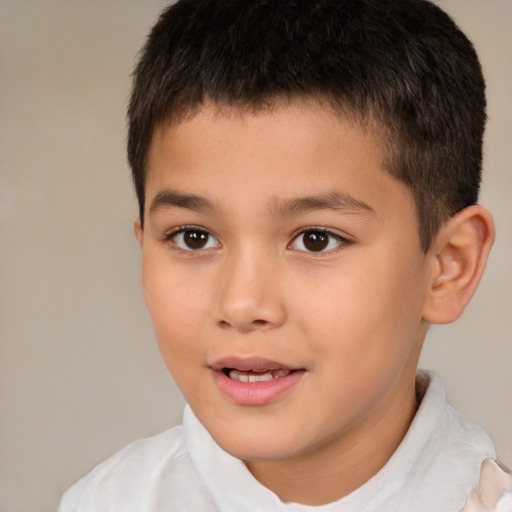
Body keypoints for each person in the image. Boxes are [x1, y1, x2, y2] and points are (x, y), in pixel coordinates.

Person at [59, 0, 511, 510]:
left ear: (448, 267)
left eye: (316, 239)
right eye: (193, 238)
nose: (242, 304)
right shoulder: (108, 500)